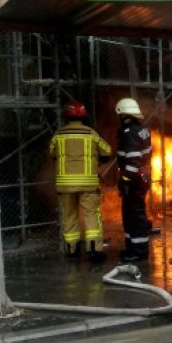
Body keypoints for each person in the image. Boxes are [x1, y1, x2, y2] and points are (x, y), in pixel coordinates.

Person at [49, 102, 112, 261]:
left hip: (65, 185)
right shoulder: (91, 134)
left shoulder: (58, 135)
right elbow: (107, 151)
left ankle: (72, 249)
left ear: (66, 117)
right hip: (87, 184)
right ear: (85, 118)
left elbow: (52, 153)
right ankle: (93, 250)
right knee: (91, 215)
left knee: (69, 215)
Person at [115, 97, 153, 261]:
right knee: (133, 214)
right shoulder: (142, 130)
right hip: (142, 178)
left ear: (123, 115)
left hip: (134, 181)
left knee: (134, 215)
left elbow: (132, 162)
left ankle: (138, 251)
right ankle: (132, 248)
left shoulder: (129, 133)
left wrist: (124, 181)